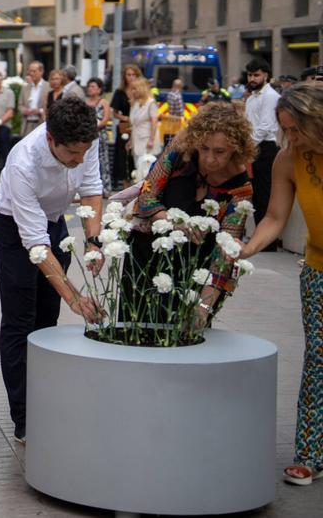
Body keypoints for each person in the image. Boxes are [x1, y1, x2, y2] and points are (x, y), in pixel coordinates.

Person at [0, 97, 104, 444]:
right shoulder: (23, 161)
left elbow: (92, 189)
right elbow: (35, 244)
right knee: (20, 320)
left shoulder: (86, 139)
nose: (79, 160)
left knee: (46, 319)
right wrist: (75, 298)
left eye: (84, 152)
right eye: (72, 154)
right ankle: (23, 416)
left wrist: (94, 242)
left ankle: (47, 402)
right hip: (15, 230)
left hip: (53, 223)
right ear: (51, 139)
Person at [239, 82, 323, 485]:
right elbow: (274, 217)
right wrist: (246, 248)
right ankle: (310, 452)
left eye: (296, 129)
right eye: (285, 130)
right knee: (319, 360)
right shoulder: (289, 159)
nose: (290, 138)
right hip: (319, 270)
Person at [125, 102, 254, 323]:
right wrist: (174, 222)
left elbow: (226, 252)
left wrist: (203, 306)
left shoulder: (240, 189)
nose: (209, 158)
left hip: (195, 273)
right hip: (147, 258)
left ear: (237, 148)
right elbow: (146, 197)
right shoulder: (179, 154)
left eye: (220, 152)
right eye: (204, 148)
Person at [245, 58, 280, 235]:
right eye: (250, 75)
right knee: (256, 194)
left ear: (266, 75)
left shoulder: (271, 96)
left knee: (265, 194)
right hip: (255, 147)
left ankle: (267, 239)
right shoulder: (252, 98)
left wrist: (248, 147)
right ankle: (259, 235)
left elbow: (265, 126)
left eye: (256, 75)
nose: (252, 78)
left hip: (266, 148)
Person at [111, 64, 142, 189]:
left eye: (133, 74)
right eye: (128, 75)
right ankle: (126, 189)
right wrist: (126, 118)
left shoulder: (141, 92)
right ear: (124, 76)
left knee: (136, 159)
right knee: (123, 158)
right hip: (125, 127)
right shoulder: (120, 92)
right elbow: (114, 112)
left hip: (139, 128)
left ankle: (138, 188)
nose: (131, 77)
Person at [128, 77, 162, 177]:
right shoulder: (135, 103)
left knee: (145, 170)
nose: (132, 91)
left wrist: (151, 139)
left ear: (141, 88)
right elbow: (134, 124)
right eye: (131, 89)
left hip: (146, 141)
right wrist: (130, 140)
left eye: (134, 88)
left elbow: (154, 122)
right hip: (136, 141)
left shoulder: (150, 103)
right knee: (138, 169)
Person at [84, 77, 113, 187]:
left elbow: (106, 119)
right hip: (87, 135)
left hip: (100, 134)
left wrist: (95, 127)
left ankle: (104, 187)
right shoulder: (85, 102)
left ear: (99, 89)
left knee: (102, 159)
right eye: (89, 86)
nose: (90, 89)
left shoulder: (103, 102)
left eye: (93, 87)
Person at [19, 61, 50, 135]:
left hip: (42, 124)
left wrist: (40, 111)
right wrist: (25, 110)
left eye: (34, 71)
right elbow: (20, 105)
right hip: (27, 124)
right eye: (30, 71)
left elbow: (52, 106)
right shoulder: (25, 88)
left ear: (41, 72)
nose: (31, 73)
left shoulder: (48, 87)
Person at [162, 78, 186, 146]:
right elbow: (179, 111)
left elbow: (171, 110)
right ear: (180, 86)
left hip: (171, 120)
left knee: (170, 139)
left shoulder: (170, 94)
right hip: (176, 120)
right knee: (176, 140)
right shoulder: (177, 96)